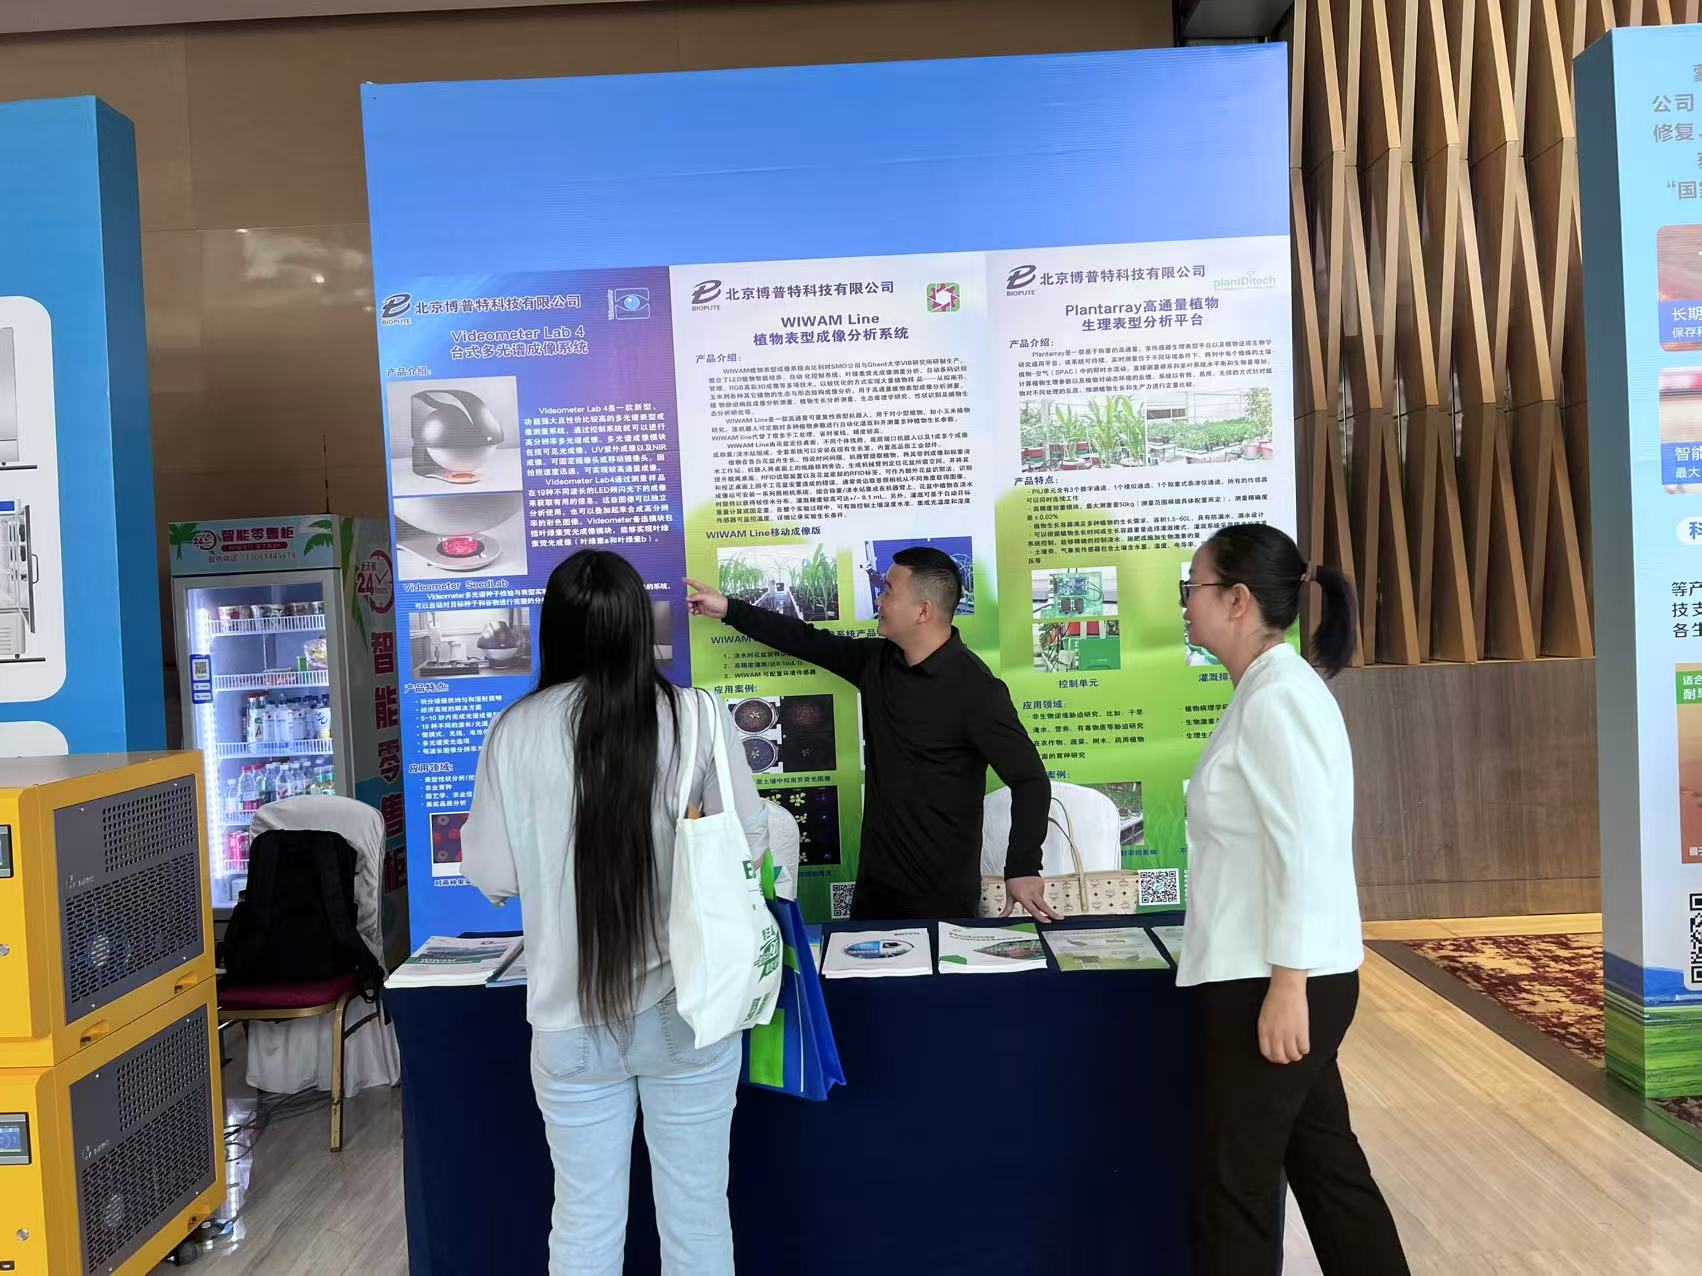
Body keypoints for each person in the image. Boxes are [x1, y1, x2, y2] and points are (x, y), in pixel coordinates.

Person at [462, 549, 767, 1276]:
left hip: (568, 1017)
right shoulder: (697, 716)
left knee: (583, 1223)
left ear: (555, 629)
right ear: (639, 627)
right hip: (689, 1008)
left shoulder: (514, 729)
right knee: (698, 1219)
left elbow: (494, 874)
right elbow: (749, 844)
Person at [1177, 523, 1408, 1275]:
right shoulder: (1266, 691)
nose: (1185, 604)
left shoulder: (1279, 697)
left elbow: (1305, 849)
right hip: (1271, 973)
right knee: (1327, 1167)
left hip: (1270, 980)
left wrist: (1288, 984)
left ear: (1237, 600)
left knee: (1234, 1186)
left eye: (1193, 587)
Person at [686, 545, 1056, 922]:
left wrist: (1023, 867)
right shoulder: (878, 662)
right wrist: (729, 609)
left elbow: (1030, 780)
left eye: (888, 591)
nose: (879, 600)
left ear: (923, 610)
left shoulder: (976, 690)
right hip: (874, 888)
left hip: (940, 897)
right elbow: (805, 640)